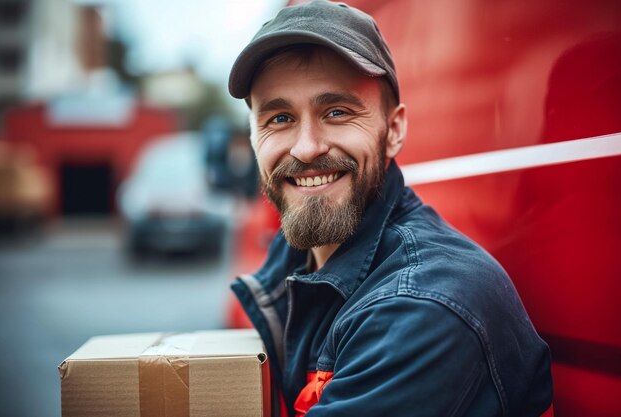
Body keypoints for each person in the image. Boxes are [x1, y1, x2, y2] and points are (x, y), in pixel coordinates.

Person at [227, 1, 553, 416]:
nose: (307, 147)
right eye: (278, 118)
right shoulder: (298, 263)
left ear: (394, 130)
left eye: (337, 111)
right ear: (254, 138)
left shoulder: (424, 307)